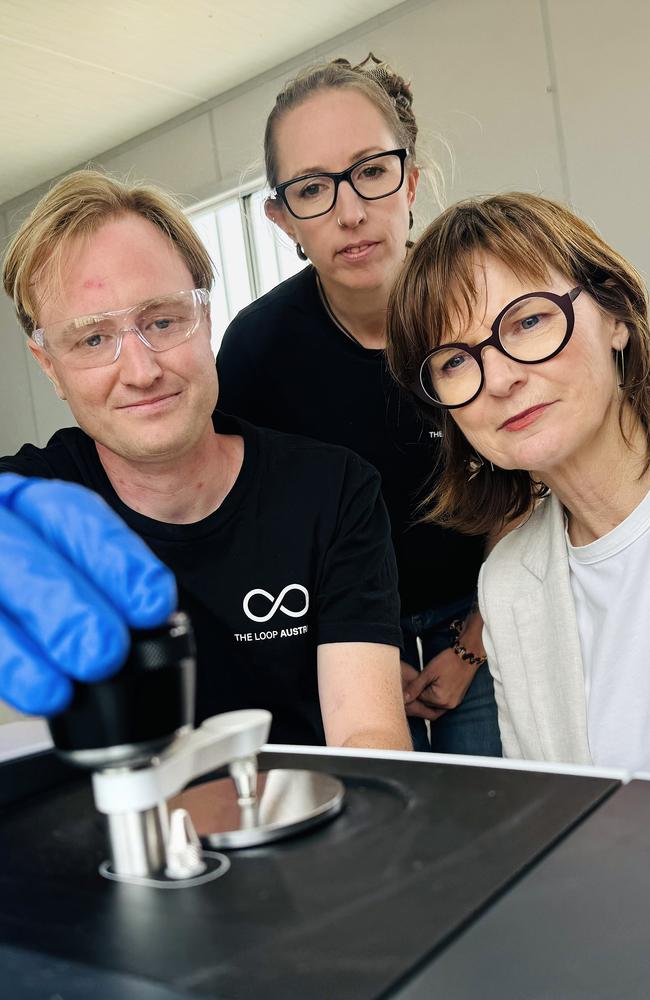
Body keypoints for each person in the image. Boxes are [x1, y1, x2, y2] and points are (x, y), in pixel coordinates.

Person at [0, 168, 412, 752]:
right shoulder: (24, 508)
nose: (141, 372)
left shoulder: (331, 491)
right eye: (93, 339)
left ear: (206, 318)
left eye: (162, 321)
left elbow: (368, 732)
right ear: (48, 365)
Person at [217, 54, 501, 756]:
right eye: (313, 189)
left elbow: (529, 485)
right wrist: (366, 649)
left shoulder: (480, 303)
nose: (350, 212)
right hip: (336, 629)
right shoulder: (257, 350)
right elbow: (257, 527)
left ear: (408, 178)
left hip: (491, 610)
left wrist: (470, 650)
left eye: (371, 172)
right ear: (282, 218)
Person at [386, 191, 650, 771]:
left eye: (528, 321)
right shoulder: (507, 586)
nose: (499, 379)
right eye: (455, 361)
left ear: (615, 316)